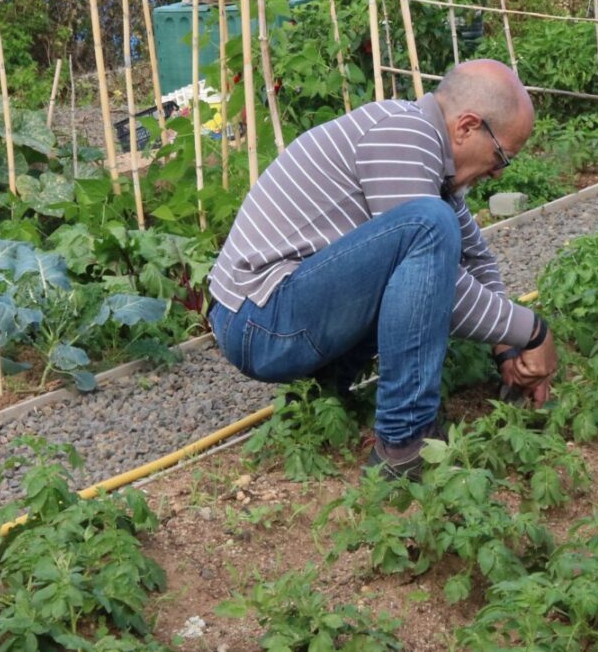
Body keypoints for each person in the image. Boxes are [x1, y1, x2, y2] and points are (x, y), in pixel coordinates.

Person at [206, 59, 558, 480]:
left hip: (279, 312)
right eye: (502, 156)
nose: (499, 171)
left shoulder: (430, 155)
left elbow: (475, 259)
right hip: (260, 325)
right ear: (466, 126)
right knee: (430, 226)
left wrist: (508, 349)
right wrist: (533, 332)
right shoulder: (403, 136)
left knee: (434, 225)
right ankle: (404, 441)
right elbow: (440, 287)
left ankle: (327, 393)